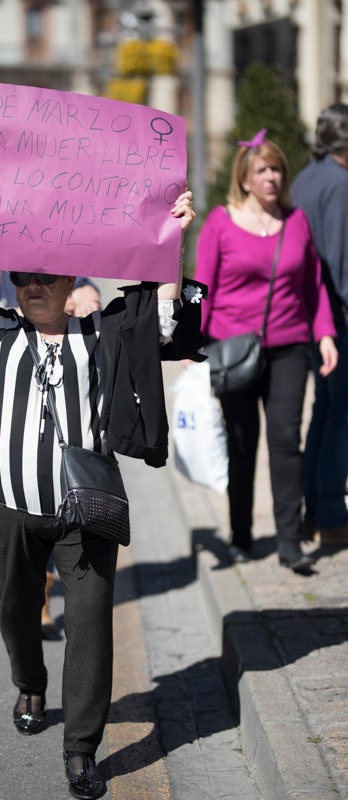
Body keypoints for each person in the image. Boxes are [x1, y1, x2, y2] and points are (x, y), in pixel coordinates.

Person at [0, 154, 196, 799]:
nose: (32, 285)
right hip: (9, 506)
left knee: (93, 620)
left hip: (85, 506)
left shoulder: (102, 333)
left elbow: (161, 314)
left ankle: (81, 749)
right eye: (22, 276)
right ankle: (29, 680)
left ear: (70, 274)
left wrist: (176, 234)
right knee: (18, 610)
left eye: (45, 275)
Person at [194, 129, 338, 573]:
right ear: (245, 177)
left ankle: (290, 542)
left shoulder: (296, 222)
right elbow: (204, 288)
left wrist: (325, 334)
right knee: (241, 442)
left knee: (284, 440)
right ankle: (240, 534)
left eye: (277, 169)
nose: (272, 176)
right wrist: (191, 344)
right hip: (232, 350)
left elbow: (313, 284)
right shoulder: (220, 221)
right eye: (263, 169)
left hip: (289, 347)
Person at [0, 268, 102, 639]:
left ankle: (46, 596)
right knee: (10, 495)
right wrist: (35, 304)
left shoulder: (61, 253)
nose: (33, 280)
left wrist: (88, 293)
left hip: (55, 398)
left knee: (49, 489)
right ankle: (25, 589)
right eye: (23, 276)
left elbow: (82, 286)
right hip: (3, 391)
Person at [290, 103, 348, 544]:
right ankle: (330, 515)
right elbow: (341, 266)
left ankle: (314, 511)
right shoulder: (340, 183)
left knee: (324, 413)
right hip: (339, 319)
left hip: (312, 316)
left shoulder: (306, 178)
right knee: (338, 417)